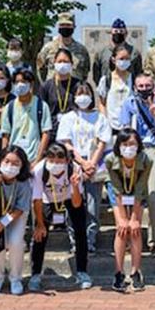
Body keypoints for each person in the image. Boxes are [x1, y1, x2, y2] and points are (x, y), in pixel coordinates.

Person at [57, 83, 112, 254]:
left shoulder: (100, 117)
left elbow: (103, 141)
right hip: (74, 163)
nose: (83, 96)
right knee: (73, 203)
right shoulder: (68, 117)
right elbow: (66, 142)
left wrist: (91, 163)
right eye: (79, 93)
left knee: (92, 204)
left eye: (86, 93)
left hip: (94, 164)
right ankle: (75, 240)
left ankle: (90, 240)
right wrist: (81, 162)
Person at [118, 73, 155, 254]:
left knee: (154, 193)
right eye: (141, 86)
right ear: (135, 88)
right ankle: (131, 235)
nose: (144, 89)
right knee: (130, 193)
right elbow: (124, 131)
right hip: (133, 150)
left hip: (153, 149)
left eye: (148, 86)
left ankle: (154, 238)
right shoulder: (128, 104)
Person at [29, 143, 91, 291]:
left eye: (59, 161)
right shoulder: (39, 170)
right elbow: (36, 199)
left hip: (69, 197)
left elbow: (77, 204)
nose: (55, 164)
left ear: (67, 161)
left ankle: (82, 272)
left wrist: (75, 186)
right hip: (47, 199)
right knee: (40, 235)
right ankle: (35, 274)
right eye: (51, 160)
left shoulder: (74, 169)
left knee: (80, 231)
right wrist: (39, 223)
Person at [0, 146, 33, 296]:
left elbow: (20, 208)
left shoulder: (24, 181)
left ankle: (16, 278)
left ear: (22, 166)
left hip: (16, 214)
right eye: (7, 161)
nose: (10, 166)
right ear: (0, 161)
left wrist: (3, 224)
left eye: (16, 163)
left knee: (16, 242)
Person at [106, 129, 150, 292]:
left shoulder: (146, 160)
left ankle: (135, 271)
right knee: (122, 229)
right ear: (118, 146)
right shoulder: (110, 160)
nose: (129, 148)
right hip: (118, 192)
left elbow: (140, 187)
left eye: (132, 144)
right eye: (125, 144)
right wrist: (123, 218)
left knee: (135, 228)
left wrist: (134, 218)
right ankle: (118, 272)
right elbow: (116, 187)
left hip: (137, 193)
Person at [1, 69, 52, 164]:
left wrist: (38, 160)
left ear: (31, 84)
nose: (20, 85)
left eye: (23, 81)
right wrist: (5, 158)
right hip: (14, 160)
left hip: (34, 158)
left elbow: (46, 134)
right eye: (17, 82)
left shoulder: (42, 106)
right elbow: (5, 135)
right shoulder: (9, 107)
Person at [39, 48, 81, 140]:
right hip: (52, 133)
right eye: (60, 61)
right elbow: (42, 112)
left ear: (71, 64)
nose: (62, 64)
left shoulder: (78, 85)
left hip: (73, 132)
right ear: (54, 62)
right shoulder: (46, 86)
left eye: (66, 61)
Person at [36, 13, 91, 82]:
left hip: (74, 89)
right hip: (53, 89)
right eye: (62, 25)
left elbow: (85, 72)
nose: (65, 27)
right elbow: (40, 70)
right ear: (58, 27)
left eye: (68, 25)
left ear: (74, 26)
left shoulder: (82, 50)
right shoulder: (48, 48)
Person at [96, 44, 134, 135]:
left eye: (127, 59)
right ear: (114, 60)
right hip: (111, 127)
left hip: (130, 126)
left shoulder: (133, 78)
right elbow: (101, 103)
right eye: (121, 59)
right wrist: (105, 121)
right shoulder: (106, 80)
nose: (124, 61)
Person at [92, 18, 143, 85]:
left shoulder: (134, 52)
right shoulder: (101, 53)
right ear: (111, 33)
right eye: (115, 31)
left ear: (126, 33)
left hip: (128, 90)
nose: (118, 33)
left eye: (121, 31)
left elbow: (138, 73)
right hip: (108, 91)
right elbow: (96, 74)